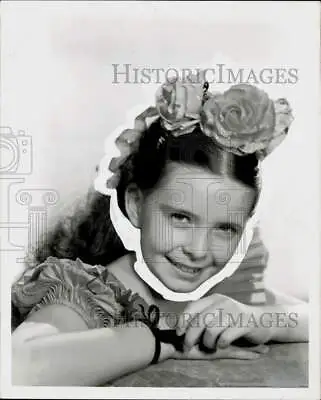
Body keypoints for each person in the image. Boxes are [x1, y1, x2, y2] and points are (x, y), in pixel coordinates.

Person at [11, 75, 308, 386]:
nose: (199, 250)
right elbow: (18, 365)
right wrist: (165, 340)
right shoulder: (87, 292)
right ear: (136, 205)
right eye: (180, 218)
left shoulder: (218, 294)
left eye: (225, 228)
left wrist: (259, 319)